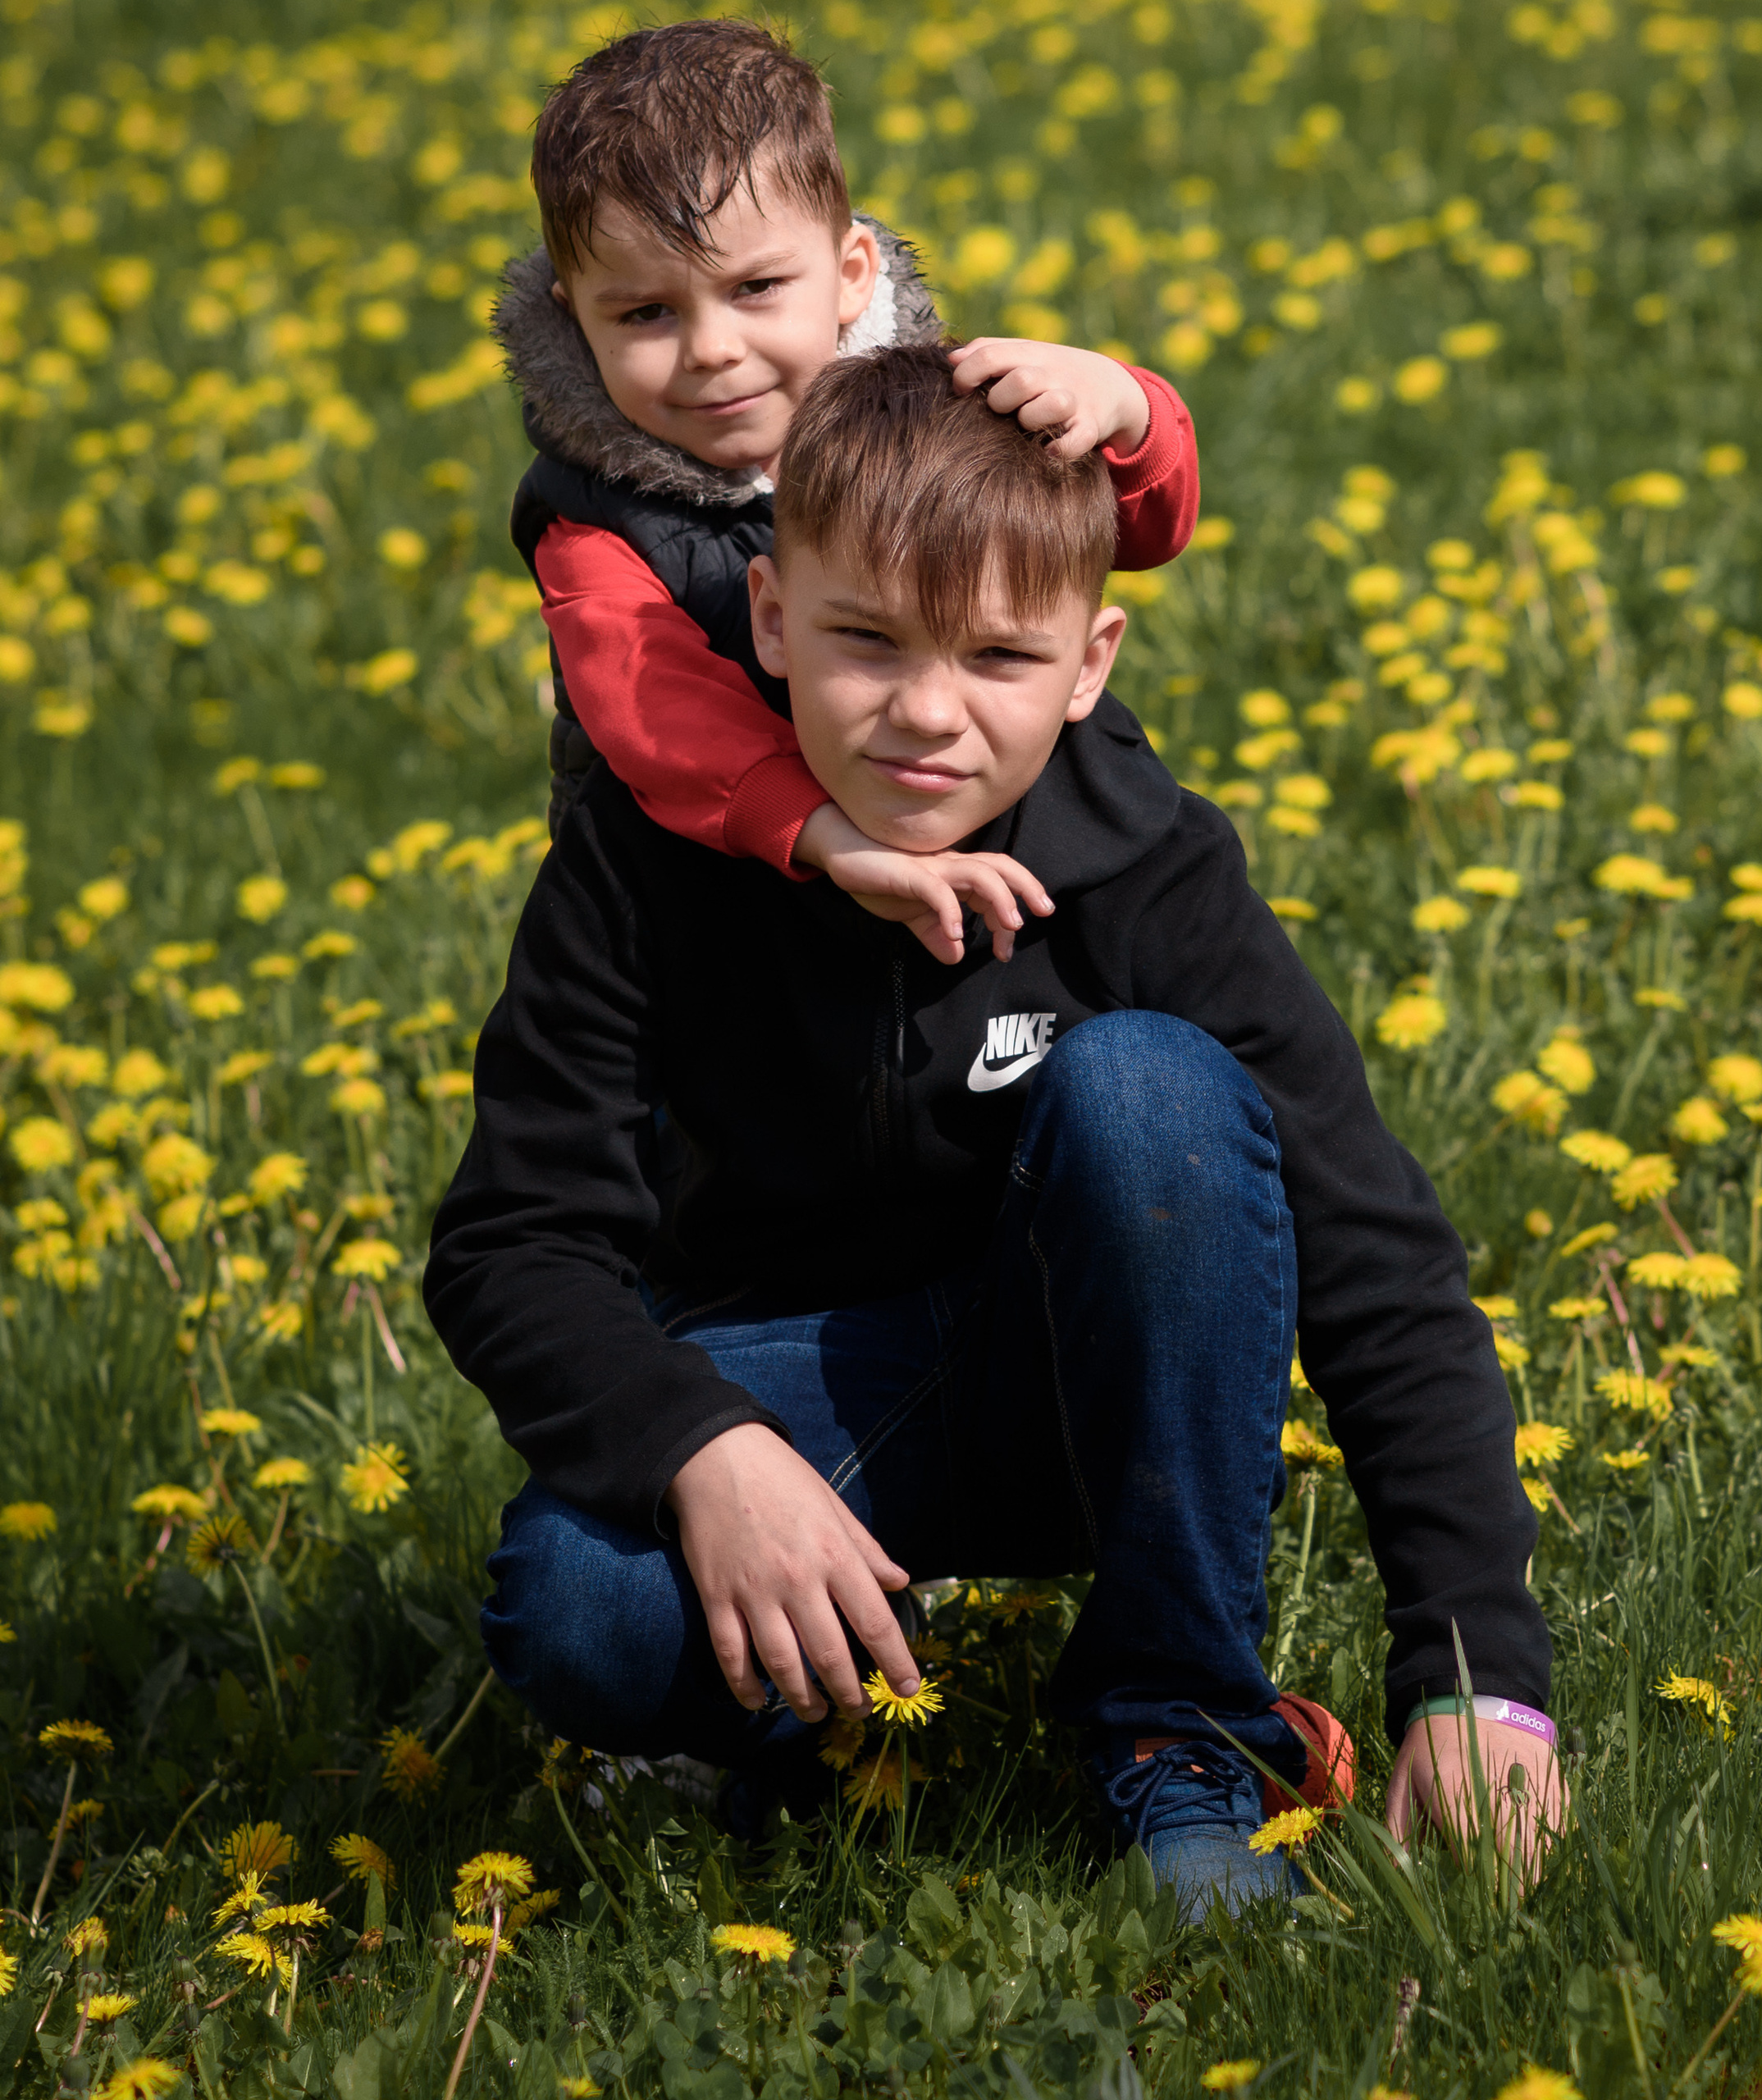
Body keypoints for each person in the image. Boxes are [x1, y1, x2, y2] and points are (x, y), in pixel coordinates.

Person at [426, 344, 1561, 1916]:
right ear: (770, 618)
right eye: (863, 643)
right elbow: (509, 1247)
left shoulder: (1147, 864)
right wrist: (702, 1449)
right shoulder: (643, 861)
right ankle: (816, 1712)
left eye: (997, 660)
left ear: (1090, 663)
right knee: (576, 1605)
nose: (925, 716)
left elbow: (1378, 1257)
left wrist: (1476, 1674)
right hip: (800, 1390)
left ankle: (1183, 1729)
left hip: (1088, 1391)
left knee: (1149, 1088)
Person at [493, 16, 1200, 964]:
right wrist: (828, 839)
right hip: (698, 912)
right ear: (575, 320)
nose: (711, 350)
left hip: (963, 851)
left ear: (850, 274)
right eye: (647, 312)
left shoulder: (939, 411)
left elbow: (1137, 532)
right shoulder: (594, 526)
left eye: (755, 289)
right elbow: (659, 718)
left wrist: (1124, 409)